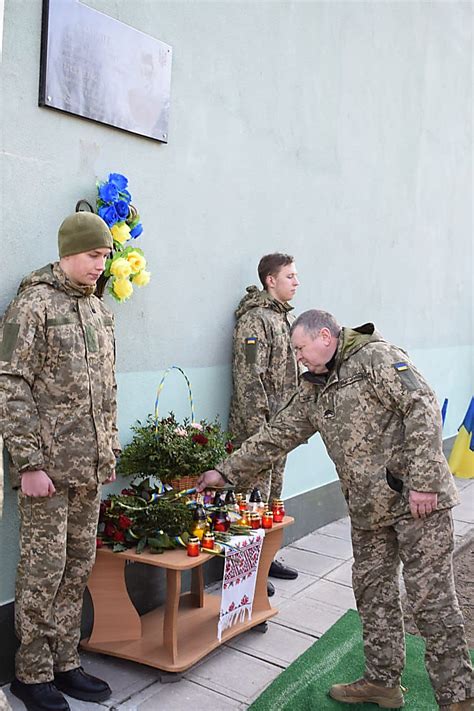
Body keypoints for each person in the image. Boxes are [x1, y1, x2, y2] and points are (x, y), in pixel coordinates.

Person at [198, 309, 474, 710]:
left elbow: (422, 405)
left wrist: (425, 482)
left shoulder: (376, 358)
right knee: (372, 592)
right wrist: (224, 471)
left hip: (416, 503)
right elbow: (277, 434)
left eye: (300, 348)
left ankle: (458, 696)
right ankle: (382, 682)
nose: (299, 358)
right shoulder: (315, 387)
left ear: (324, 336)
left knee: (430, 599)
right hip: (368, 509)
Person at [0, 211, 121, 711]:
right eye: (94, 255)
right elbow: (11, 385)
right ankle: (31, 672)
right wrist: (28, 464)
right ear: (68, 252)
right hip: (47, 472)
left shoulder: (96, 310)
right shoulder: (34, 305)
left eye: (106, 256)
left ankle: (66, 662)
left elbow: (107, 390)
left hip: (88, 469)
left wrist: (108, 449)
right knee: (42, 571)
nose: (100, 265)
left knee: (77, 567)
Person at [228, 253, 300, 593]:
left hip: (279, 429)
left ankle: (266, 559)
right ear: (270, 280)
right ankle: (247, 573)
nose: (296, 282)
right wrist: (260, 435)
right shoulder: (255, 321)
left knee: (272, 499)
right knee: (251, 501)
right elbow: (248, 378)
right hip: (259, 431)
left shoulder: (281, 319)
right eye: (289, 276)